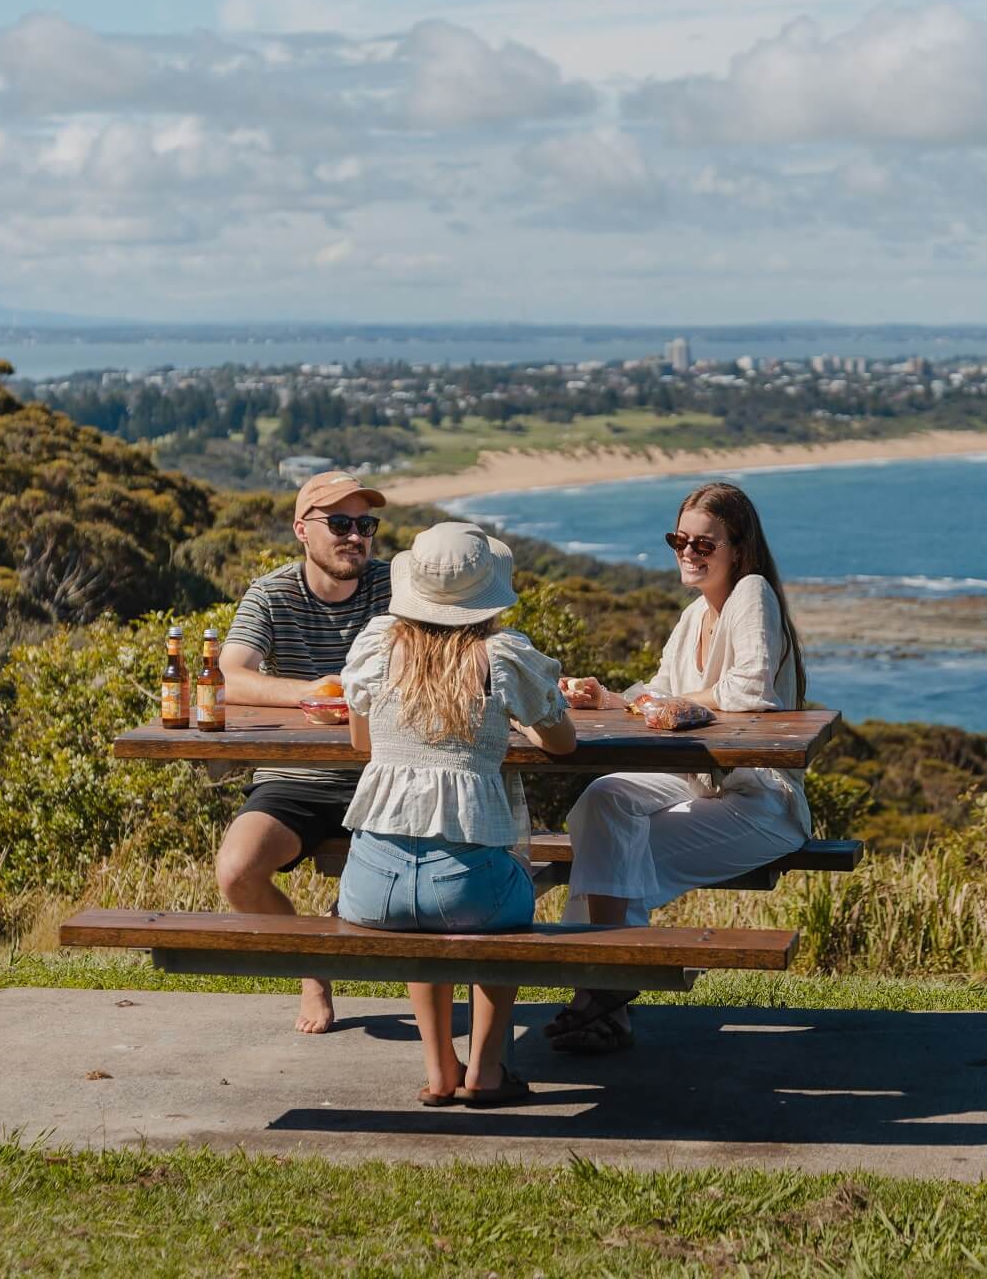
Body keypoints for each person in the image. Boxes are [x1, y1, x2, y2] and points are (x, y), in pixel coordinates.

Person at [552, 481, 810, 1054]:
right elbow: (665, 695)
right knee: (604, 802)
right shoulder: (695, 615)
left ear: (737, 549)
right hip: (705, 781)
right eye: (679, 540)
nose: (689, 553)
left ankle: (597, 996)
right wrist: (613, 700)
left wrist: (664, 703)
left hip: (762, 800)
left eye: (704, 543)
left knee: (611, 855)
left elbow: (749, 692)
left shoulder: (751, 593)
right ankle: (605, 996)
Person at [337, 521, 577, 1106]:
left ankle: (440, 1068)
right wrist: (510, 721)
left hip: (371, 887)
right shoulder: (501, 657)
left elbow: (362, 745)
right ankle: (487, 1071)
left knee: (424, 912)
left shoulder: (378, 644)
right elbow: (562, 744)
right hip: (466, 891)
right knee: (507, 894)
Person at [215, 470, 394, 1034]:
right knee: (237, 872)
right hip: (296, 775)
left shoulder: (397, 587)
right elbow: (232, 677)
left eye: (365, 524)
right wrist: (315, 692)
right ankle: (311, 968)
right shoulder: (271, 593)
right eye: (338, 523)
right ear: (302, 530)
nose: (354, 536)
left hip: (384, 776)